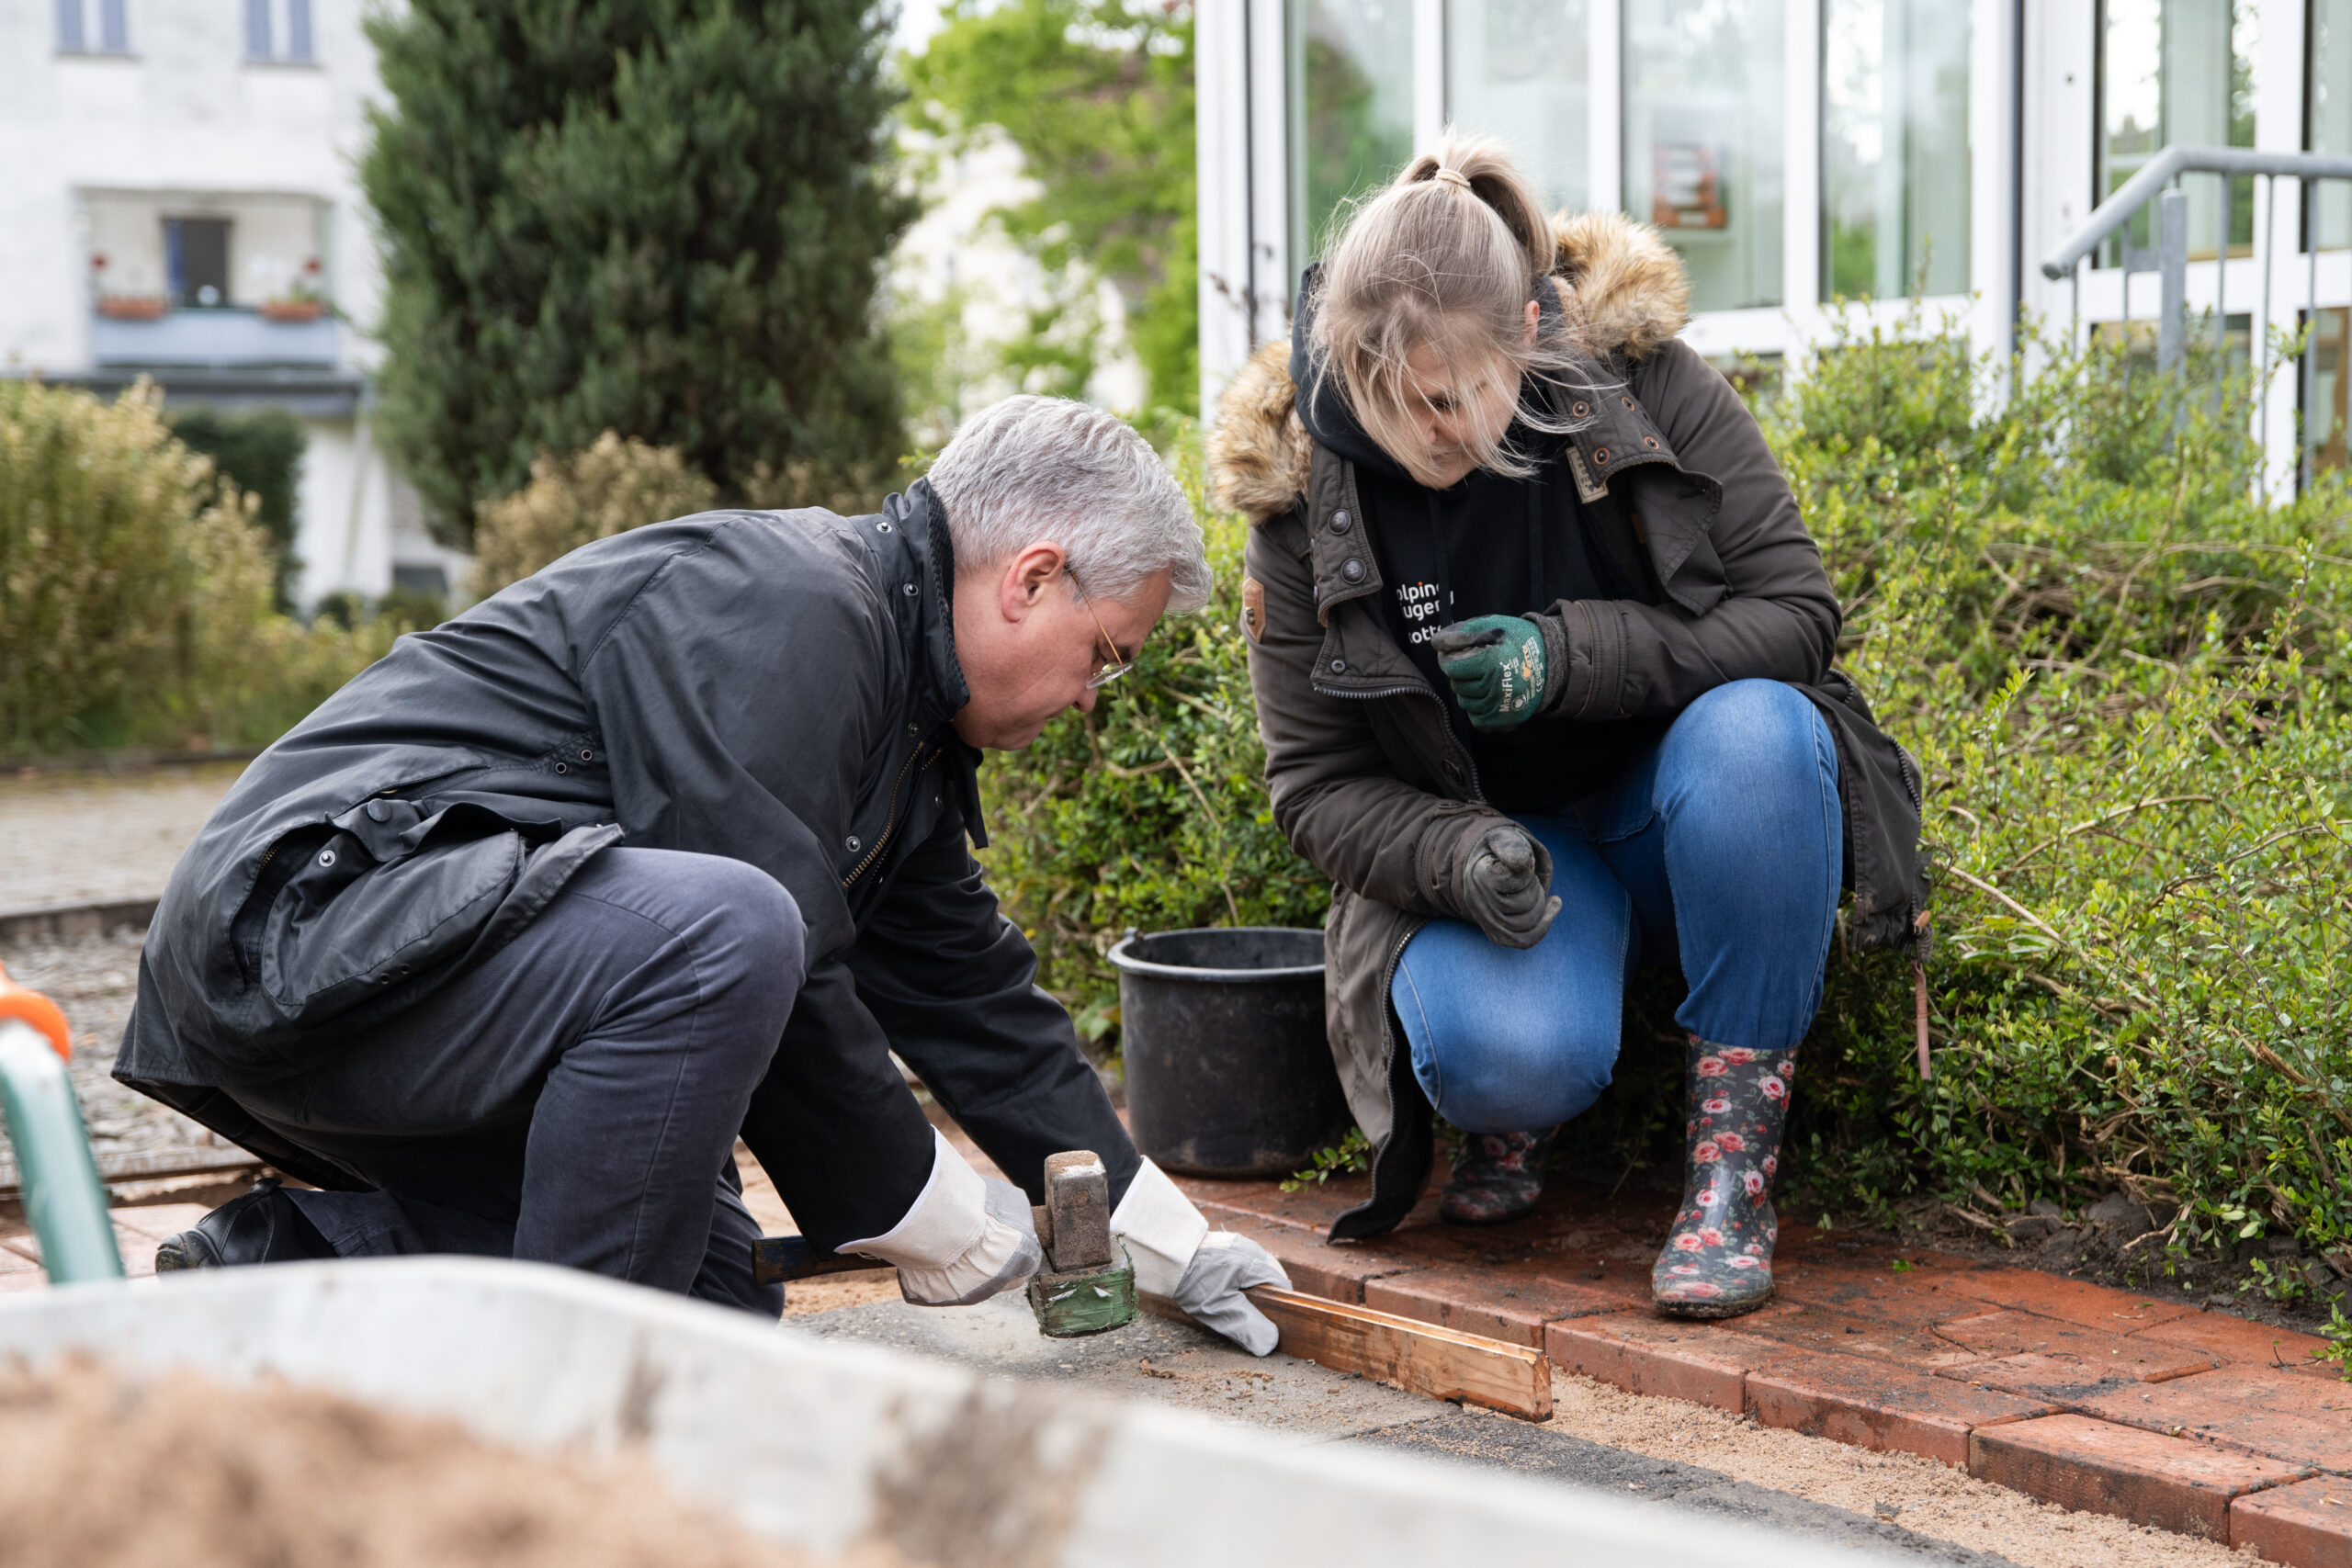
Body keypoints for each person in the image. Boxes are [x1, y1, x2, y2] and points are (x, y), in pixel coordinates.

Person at [119, 395, 1291, 1353]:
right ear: (1031, 579)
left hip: (415, 970)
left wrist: (1162, 1238)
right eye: (1105, 657)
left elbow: (976, 1007)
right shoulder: (787, 607)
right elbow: (740, 934)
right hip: (306, 924)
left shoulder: (906, 726)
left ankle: (292, 1265)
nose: (1093, 698)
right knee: (724, 928)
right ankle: (572, 1409)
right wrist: (918, 1200)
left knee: (722, 1300)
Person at [1209, 134, 1924, 1320]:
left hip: (1677, 808)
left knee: (1760, 732)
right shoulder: (1299, 493)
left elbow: (1797, 613)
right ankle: (1515, 1116)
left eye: (1451, 397)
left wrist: (1574, 655)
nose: (1420, 431)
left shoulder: (1646, 383)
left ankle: (1730, 1180)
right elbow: (1316, 783)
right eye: (1386, 399)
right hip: (1508, 857)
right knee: (1508, 1057)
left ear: (1533, 335)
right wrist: (1454, 853)